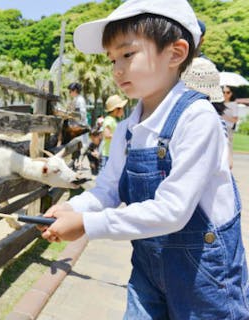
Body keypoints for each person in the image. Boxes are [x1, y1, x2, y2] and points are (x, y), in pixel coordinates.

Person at [38, 0, 247, 318]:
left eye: (127, 54)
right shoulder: (126, 129)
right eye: (112, 59)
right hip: (148, 267)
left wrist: (88, 224)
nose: (117, 69)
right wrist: (74, 208)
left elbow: (173, 211)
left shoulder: (196, 118)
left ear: (175, 53)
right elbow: (107, 191)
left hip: (205, 274)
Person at [101, 94, 127, 168]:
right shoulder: (109, 120)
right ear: (116, 109)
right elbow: (107, 135)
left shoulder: (114, 120)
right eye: (122, 108)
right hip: (108, 155)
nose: (123, 110)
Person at [68, 82, 90, 167]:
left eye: (71, 91)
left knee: (81, 145)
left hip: (79, 126)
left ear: (75, 90)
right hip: (75, 125)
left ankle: (78, 162)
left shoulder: (80, 100)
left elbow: (82, 114)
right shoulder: (75, 99)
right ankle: (75, 162)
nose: (70, 93)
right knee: (76, 145)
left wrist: (73, 115)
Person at [222, 85, 239, 169]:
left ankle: (229, 165)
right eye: (224, 92)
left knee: (228, 147)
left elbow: (235, 119)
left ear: (231, 93)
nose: (225, 94)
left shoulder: (233, 104)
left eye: (228, 92)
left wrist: (225, 117)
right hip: (220, 127)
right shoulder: (220, 103)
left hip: (228, 128)